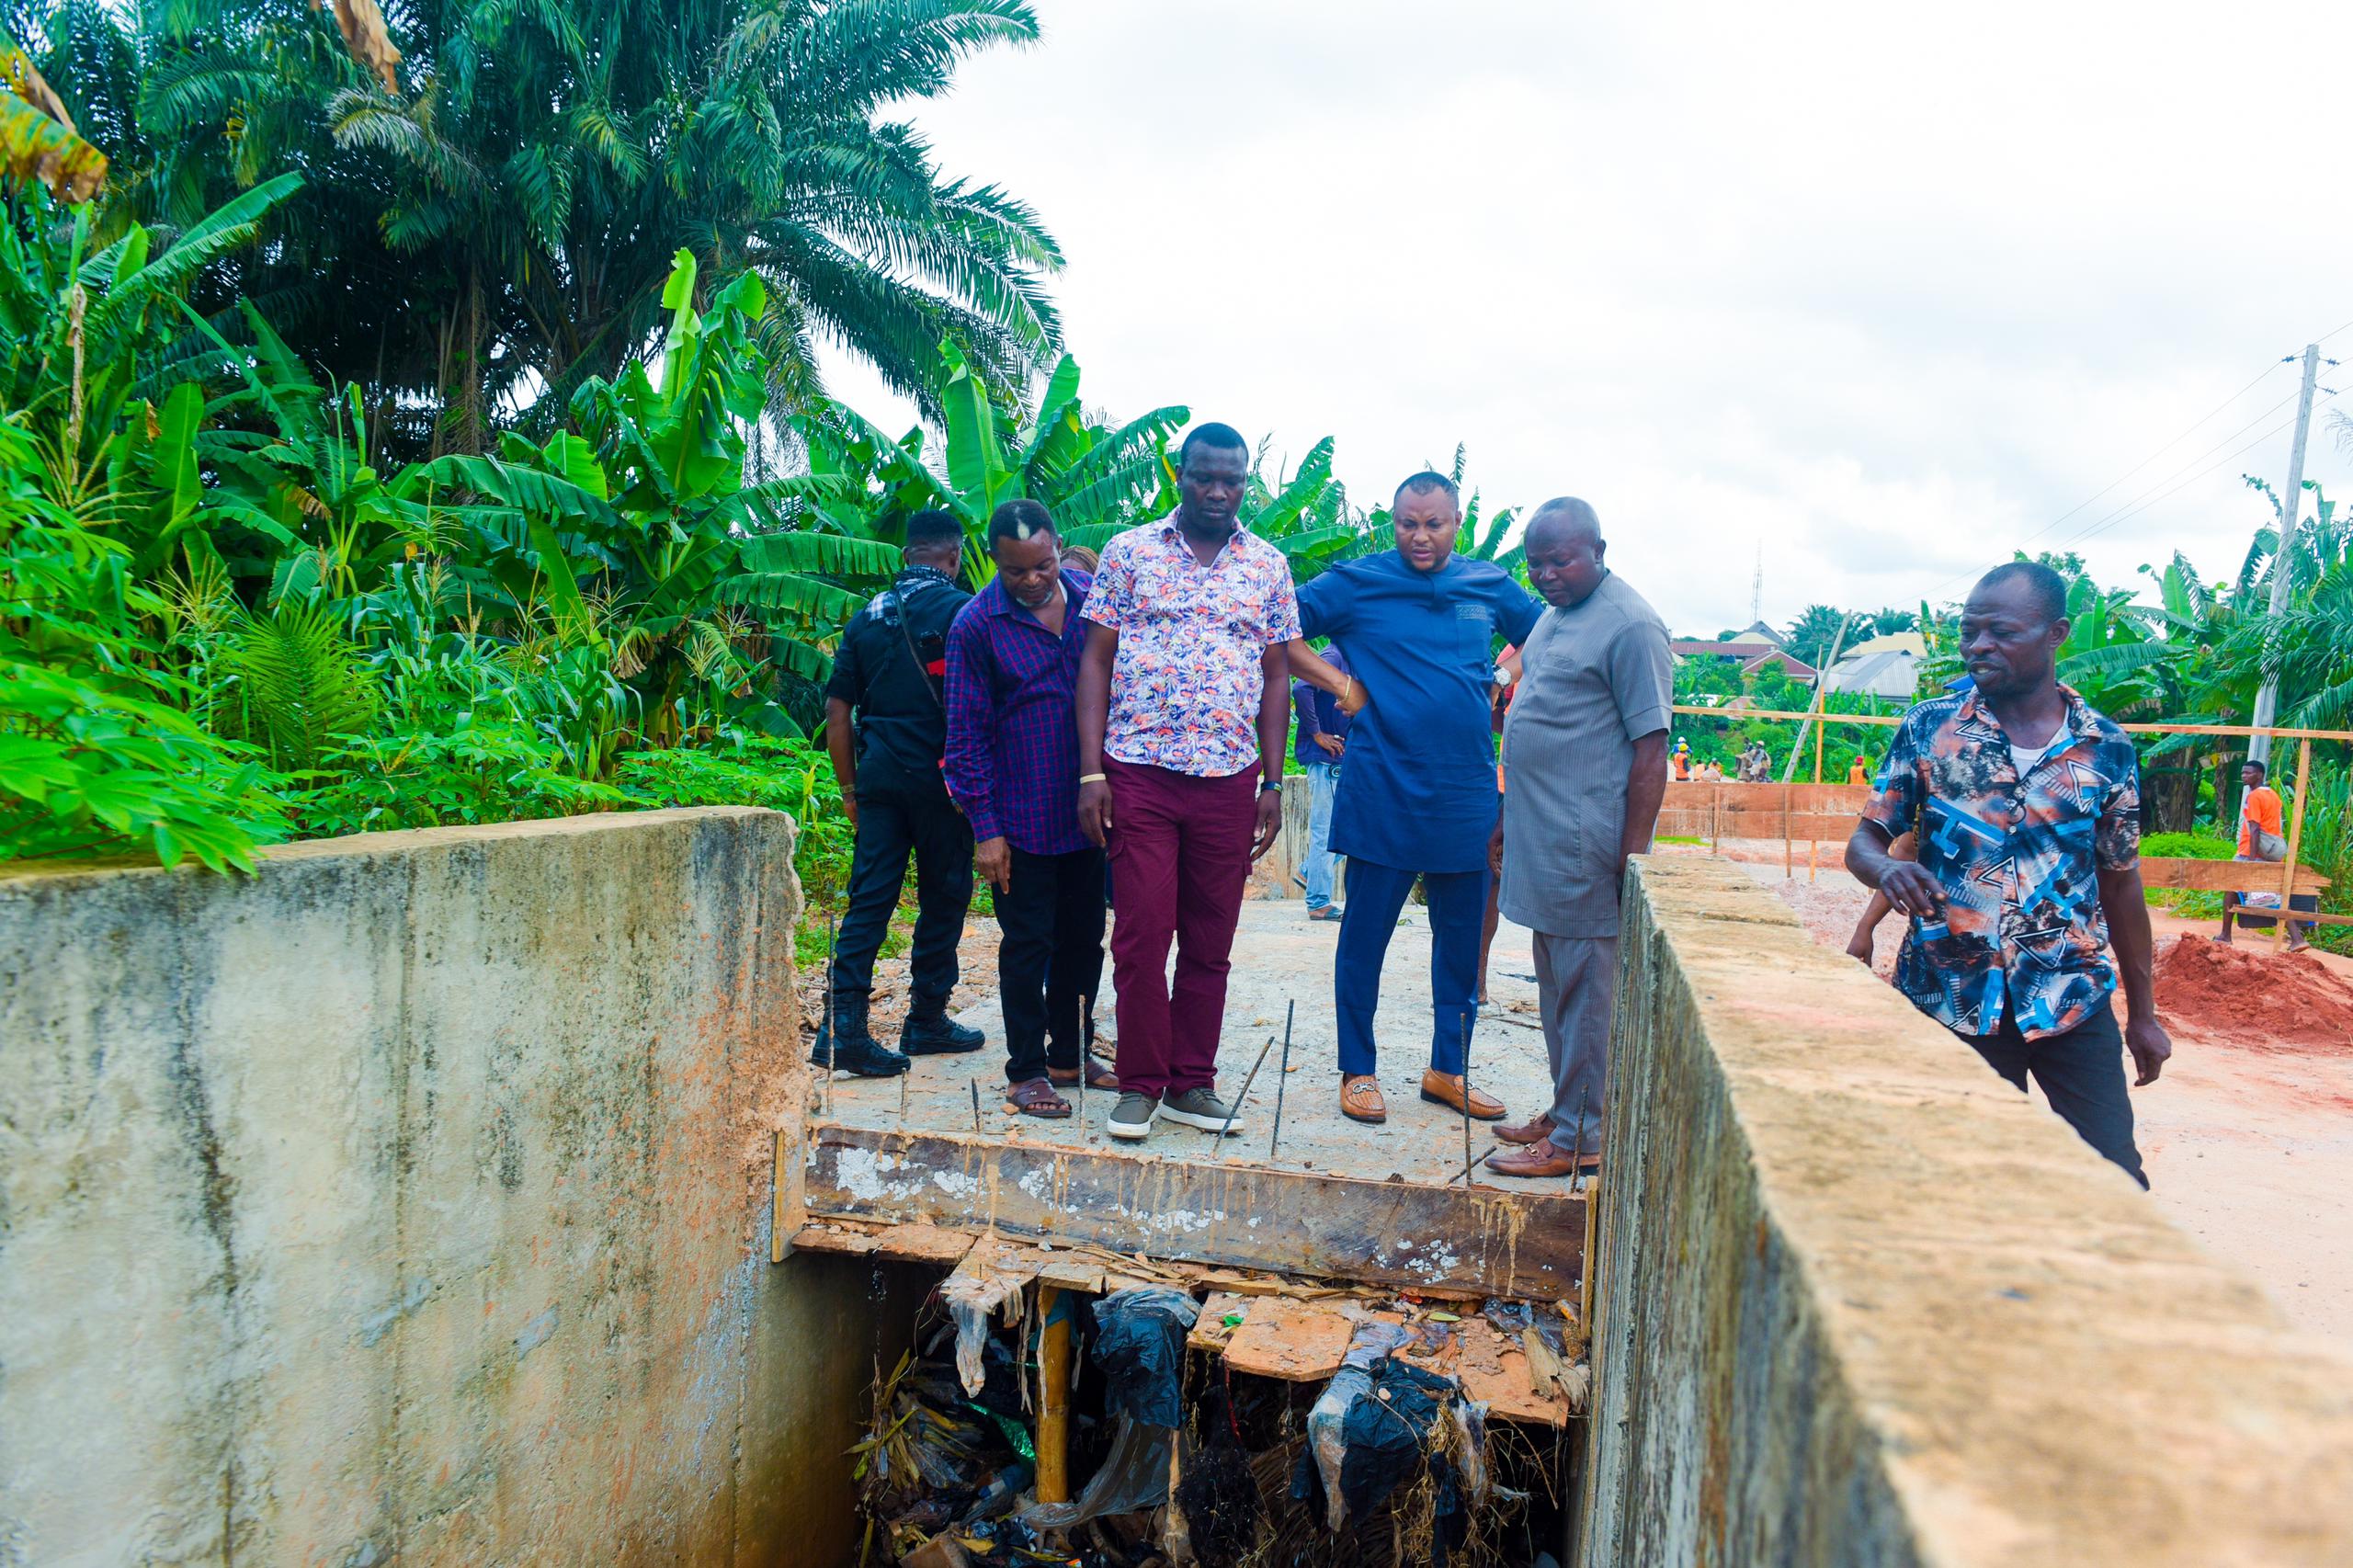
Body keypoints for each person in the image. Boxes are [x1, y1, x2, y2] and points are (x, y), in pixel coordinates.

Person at [1845, 562, 2169, 1187]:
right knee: (1961, 1183)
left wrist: (2144, 1015)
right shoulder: (1930, 728)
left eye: (2002, 632)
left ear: (2056, 634)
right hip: (1950, 998)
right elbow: (1867, 840)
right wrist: (1885, 869)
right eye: (1969, 632)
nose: (1978, 646)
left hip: (2070, 999)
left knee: (2115, 1181)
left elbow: (2121, 882)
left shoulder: (2107, 748)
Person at [1285, 472, 1545, 1126]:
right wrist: (1341, 686)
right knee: (1365, 937)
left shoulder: (1486, 583)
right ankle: (1358, 1071)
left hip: (1465, 793)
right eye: (1408, 524)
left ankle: (1447, 1071)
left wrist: (1501, 673)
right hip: (1383, 789)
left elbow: (1545, 632)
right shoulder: (1357, 582)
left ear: (1456, 522)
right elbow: (1276, 626)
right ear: (1392, 523)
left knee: (1460, 941)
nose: (1420, 536)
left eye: (1434, 524)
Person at [1076, 423, 1302, 1142]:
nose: (1217, 491)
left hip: (1229, 779)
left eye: (1232, 480)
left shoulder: (1267, 565)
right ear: (1179, 474)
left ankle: (1191, 1084)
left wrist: (1272, 781)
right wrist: (1091, 771)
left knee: (1210, 940)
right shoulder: (1130, 551)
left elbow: (1276, 676)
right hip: (1139, 772)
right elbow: (1096, 660)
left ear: (1244, 484)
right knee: (1142, 935)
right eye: (1205, 476)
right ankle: (1141, 1085)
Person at [1485, 499, 1674, 1178]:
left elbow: (1652, 749)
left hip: (1588, 845)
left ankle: (1581, 1138)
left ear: (1598, 550)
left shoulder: (1631, 626)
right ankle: (1568, 1111)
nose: (1546, 575)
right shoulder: (1554, 615)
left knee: (1588, 993)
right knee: (1557, 987)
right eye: (1535, 564)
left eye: (1560, 561)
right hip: (1543, 839)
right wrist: (1507, 819)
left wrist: (1631, 858)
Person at [943, 500, 1111, 1118]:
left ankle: (1070, 1054)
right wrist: (986, 831)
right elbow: (964, 738)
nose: (1034, 579)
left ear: (1059, 547)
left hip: (1090, 813)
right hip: (1021, 821)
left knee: (1084, 941)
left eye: (1043, 565)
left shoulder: (1094, 600)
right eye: (1016, 571)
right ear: (994, 560)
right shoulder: (975, 626)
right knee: (1027, 946)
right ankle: (1026, 1071)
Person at [814, 509, 985, 1076]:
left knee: (869, 900)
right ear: (954, 556)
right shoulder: (963, 610)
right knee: (944, 897)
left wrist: (849, 789)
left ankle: (841, 1031)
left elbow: (837, 711)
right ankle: (927, 1019)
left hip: (879, 779)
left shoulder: (866, 616)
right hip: (942, 782)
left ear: (906, 554)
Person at [2218, 757, 2311, 949]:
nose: (2244, 776)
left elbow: (2254, 829)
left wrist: (2252, 861)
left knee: (2229, 885)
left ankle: (2225, 935)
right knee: (2274, 895)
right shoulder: (2273, 795)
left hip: (2250, 851)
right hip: (2272, 850)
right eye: (2243, 772)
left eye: (2248, 772)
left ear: (2259, 775)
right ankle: (2297, 938)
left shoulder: (2254, 797)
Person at [1292, 642, 1351, 922]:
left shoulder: (1350, 656)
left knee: (1349, 831)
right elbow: (1301, 688)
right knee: (1326, 832)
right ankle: (1318, 902)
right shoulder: (1335, 654)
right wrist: (1317, 733)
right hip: (1327, 761)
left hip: (1339, 761)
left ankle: (1309, 871)